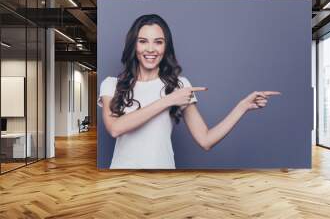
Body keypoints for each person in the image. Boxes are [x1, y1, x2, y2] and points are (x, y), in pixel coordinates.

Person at [98, 14, 280, 169]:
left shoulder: (179, 86)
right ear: (133, 45)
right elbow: (115, 128)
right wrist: (168, 100)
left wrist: (242, 107)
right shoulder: (112, 84)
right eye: (143, 41)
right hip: (121, 177)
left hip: (164, 180)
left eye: (158, 42)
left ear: (165, 47)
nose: (151, 49)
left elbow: (206, 140)